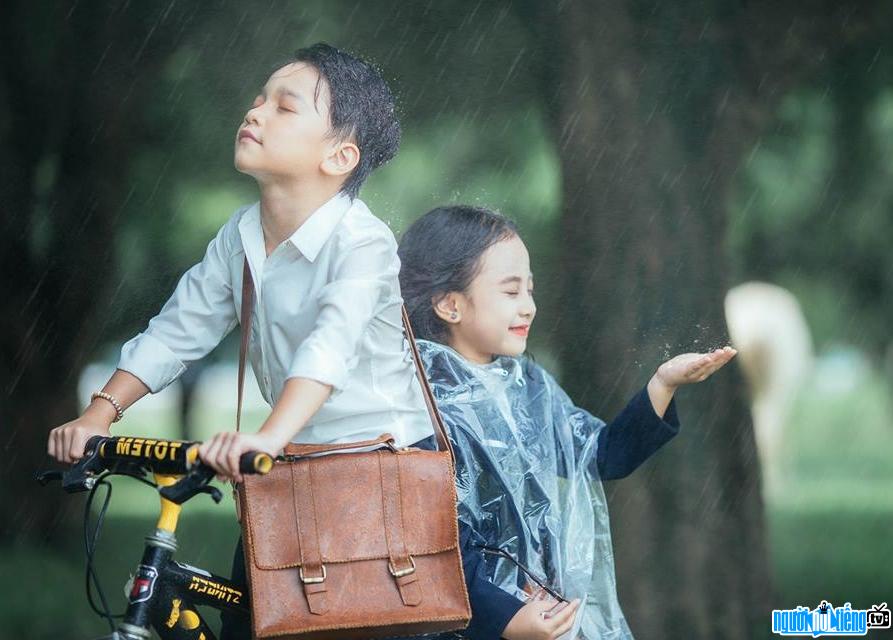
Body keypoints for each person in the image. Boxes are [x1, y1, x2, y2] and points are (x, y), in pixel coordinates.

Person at [45, 44, 579, 640]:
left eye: (285, 106)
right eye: (258, 99)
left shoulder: (363, 242)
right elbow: (179, 328)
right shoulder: (240, 235)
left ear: (339, 156)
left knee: (374, 622)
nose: (257, 112)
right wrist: (100, 411)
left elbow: (330, 345)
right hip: (287, 467)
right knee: (250, 622)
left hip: (377, 472)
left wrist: (269, 434)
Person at [398, 205, 737, 639]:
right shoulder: (414, 406)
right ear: (450, 304)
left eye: (531, 290)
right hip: (471, 624)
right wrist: (505, 619)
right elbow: (436, 544)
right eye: (510, 292)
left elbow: (601, 456)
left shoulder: (526, 387)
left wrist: (662, 384)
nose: (529, 307)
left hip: (538, 612)